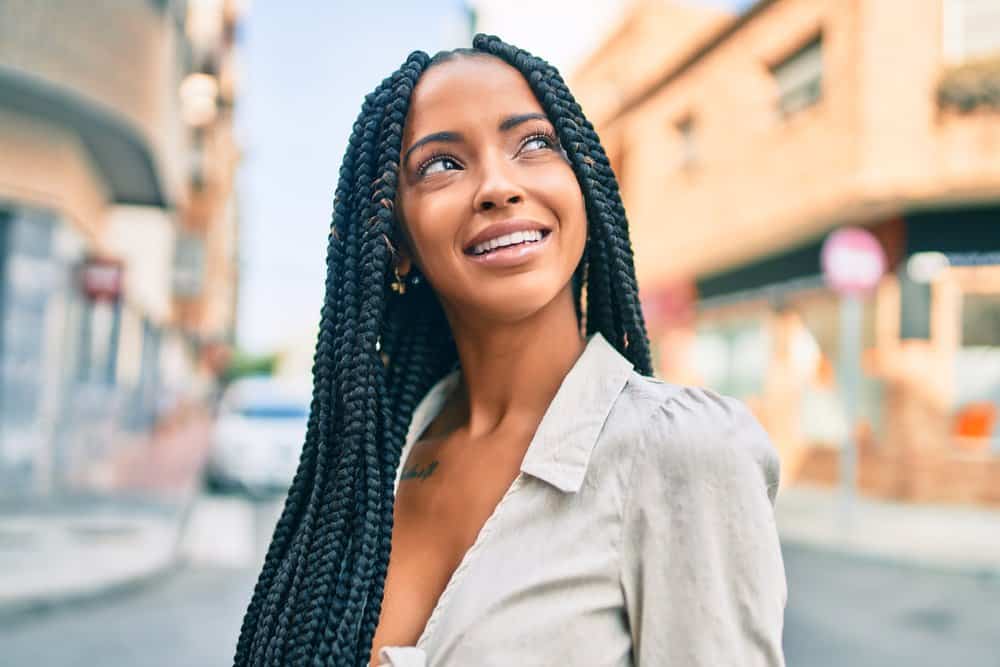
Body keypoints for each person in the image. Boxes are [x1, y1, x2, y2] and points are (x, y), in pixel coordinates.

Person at [233, 34, 787, 667]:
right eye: (442, 163)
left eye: (534, 144)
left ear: (585, 186)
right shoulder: (374, 461)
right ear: (399, 241)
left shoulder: (680, 450)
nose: (498, 186)